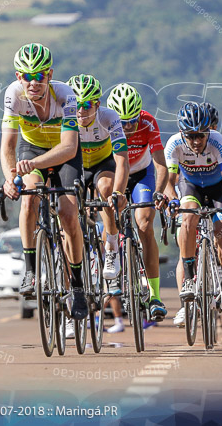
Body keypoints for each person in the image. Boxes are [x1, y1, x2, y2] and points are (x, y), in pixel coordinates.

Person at [0, 43, 88, 321]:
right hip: (32, 149)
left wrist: (33, 165)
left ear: (50, 75)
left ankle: (77, 287)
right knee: (29, 199)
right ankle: (30, 270)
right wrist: (9, 178)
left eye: (40, 75)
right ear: (18, 77)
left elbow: (70, 148)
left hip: (63, 155)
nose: (34, 82)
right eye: (27, 76)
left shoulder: (66, 95)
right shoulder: (13, 95)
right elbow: (8, 146)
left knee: (68, 214)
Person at [163, 102, 222, 324]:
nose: (196, 141)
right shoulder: (174, 144)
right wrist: (173, 200)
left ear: (209, 131)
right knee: (188, 217)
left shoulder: (218, 142)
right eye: (191, 136)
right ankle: (189, 279)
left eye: (201, 136)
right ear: (182, 133)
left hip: (218, 189)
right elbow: (170, 182)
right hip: (191, 186)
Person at [66, 74, 129, 338]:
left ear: (98, 103)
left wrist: (118, 192)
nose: (82, 111)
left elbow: (123, 159)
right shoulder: (65, 117)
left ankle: (111, 244)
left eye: (88, 104)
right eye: (77, 105)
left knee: (105, 190)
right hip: (76, 165)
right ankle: (70, 304)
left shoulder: (109, 117)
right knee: (67, 213)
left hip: (103, 164)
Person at [106, 83, 169, 327]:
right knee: (108, 215)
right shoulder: (103, 122)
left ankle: (154, 295)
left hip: (142, 174)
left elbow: (161, 163)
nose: (128, 128)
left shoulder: (148, 122)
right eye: (122, 123)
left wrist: (159, 193)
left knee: (144, 224)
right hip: (112, 174)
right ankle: (111, 258)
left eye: (132, 121)